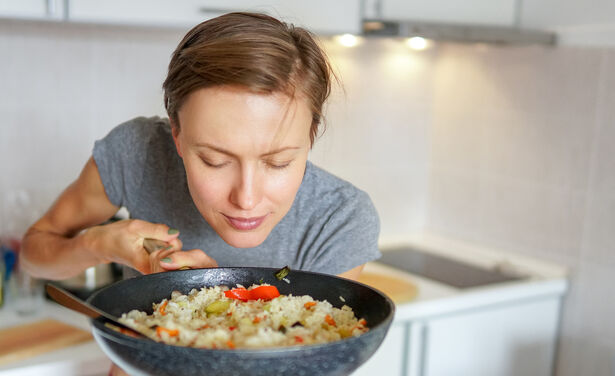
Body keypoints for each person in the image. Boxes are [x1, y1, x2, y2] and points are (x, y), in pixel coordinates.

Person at [21, 11, 381, 376]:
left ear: (311, 134)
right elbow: (34, 257)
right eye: (214, 160)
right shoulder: (138, 153)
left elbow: (307, 357)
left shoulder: (340, 219)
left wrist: (222, 300)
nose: (247, 198)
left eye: (277, 163)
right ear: (176, 134)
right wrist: (97, 244)